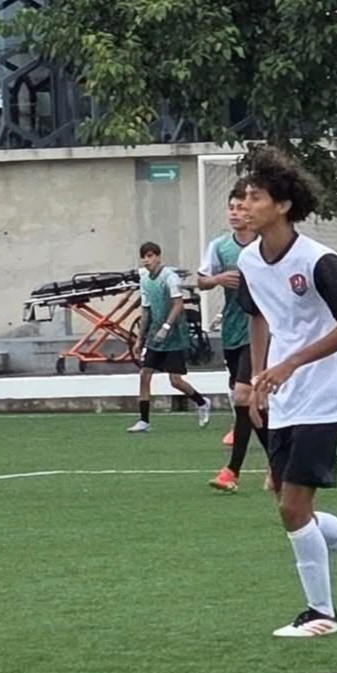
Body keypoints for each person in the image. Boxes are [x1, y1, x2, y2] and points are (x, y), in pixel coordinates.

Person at [236, 147, 337, 638]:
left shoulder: (319, 260)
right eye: (243, 197)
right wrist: (258, 381)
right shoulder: (248, 259)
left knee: (292, 507)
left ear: (282, 206)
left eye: (255, 197)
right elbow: (258, 317)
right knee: (289, 506)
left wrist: (290, 363)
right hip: (283, 398)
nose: (244, 205)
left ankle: (321, 613)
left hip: (324, 397)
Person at [197, 184, 271, 492]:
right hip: (233, 331)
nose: (235, 213)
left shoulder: (266, 246)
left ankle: (232, 471)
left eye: (241, 207)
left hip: (264, 332)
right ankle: (278, 463)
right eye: (232, 207)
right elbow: (201, 281)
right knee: (250, 402)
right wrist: (216, 279)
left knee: (243, 395)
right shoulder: (220, 247)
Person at [127, 242, 211, 433]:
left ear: (158, 257)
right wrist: (140, 339)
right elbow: (146, 310)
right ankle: (144, 421)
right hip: (155, 336)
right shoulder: (145, 280)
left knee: (175, 381)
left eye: (150, 256)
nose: (146, 260)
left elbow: (178, 304)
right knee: (144, 374)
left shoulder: (169, 277)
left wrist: (166, 327)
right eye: (143, 257)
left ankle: (202, 402)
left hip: (174, 336)